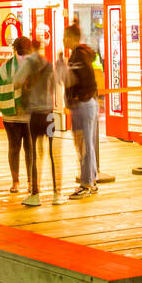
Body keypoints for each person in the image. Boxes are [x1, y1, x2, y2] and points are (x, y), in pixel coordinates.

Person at [56, 23, 100, 199]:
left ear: (73, 38)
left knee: (84, 145)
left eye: (65, 37)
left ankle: (86, 184)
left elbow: (75, 81)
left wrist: (62, 69)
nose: (63, 40)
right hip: (86, 104)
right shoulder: (80, 55)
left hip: (83, 105)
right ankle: (92, 180)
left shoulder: (78, 57)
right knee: (85, 144)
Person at [14, 36, 56, 204]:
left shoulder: (29, 62)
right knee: (51, 153)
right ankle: (55, 193)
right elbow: (53, 85)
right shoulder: (48, 63)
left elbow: (16, 82)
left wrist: (26, 83)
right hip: (49, 112)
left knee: (33, 156)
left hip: (35, 114)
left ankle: (35, 193)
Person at [0, 36, 34, 197]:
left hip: (10, 115)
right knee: (30, 149)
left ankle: (15, 182)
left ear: (13, 49)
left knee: (13, 148)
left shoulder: (5, 67)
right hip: (30, 115)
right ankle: (31, 183)